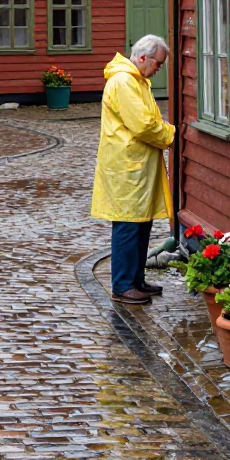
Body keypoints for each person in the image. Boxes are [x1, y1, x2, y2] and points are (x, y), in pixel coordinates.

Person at [91, 35, 176, 304]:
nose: (159, 69)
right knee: (128, 225)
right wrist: (170, 134)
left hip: (137, 168)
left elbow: (148, 120)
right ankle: (123, 284)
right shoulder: (124, 82)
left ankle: (135, 279)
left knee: (141, 224)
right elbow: (144, 125)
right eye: (158, 63)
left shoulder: (136, 81)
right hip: (128, 168)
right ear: (143, 58)